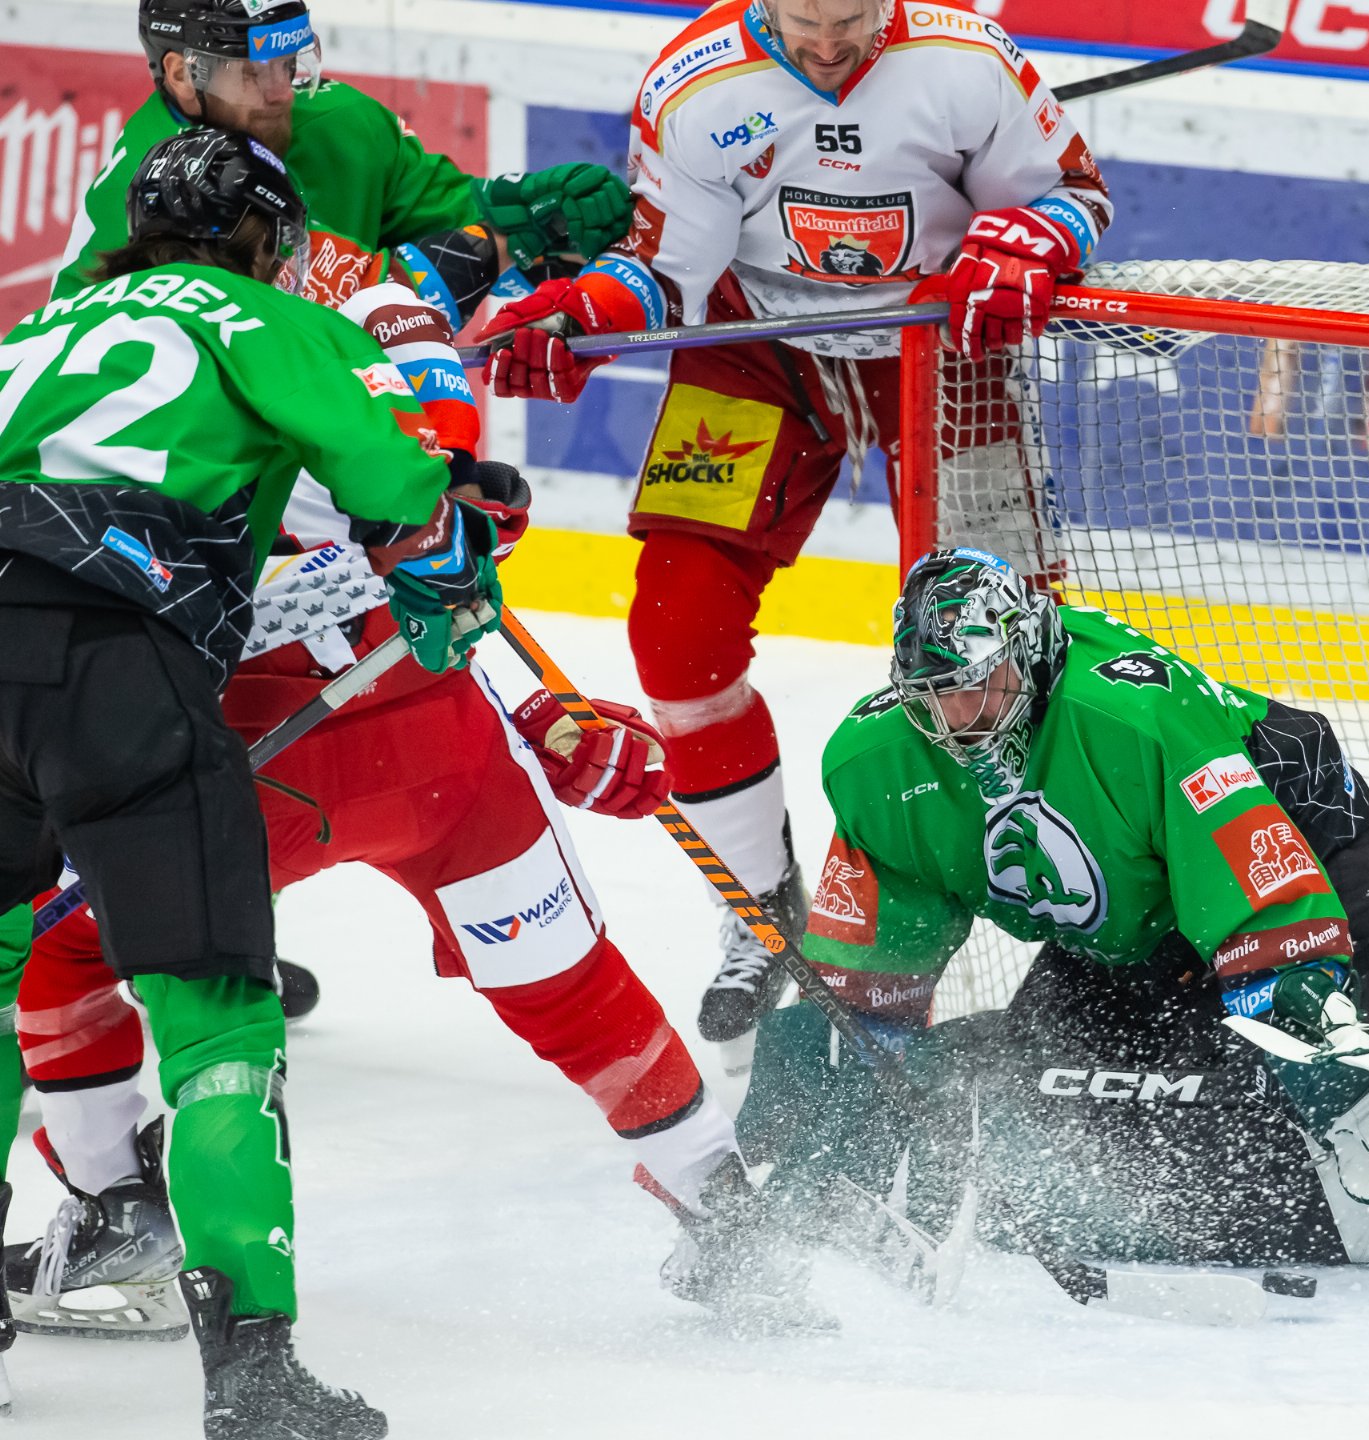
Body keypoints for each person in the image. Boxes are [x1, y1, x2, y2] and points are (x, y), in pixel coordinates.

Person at [4, 0, 811, 1343]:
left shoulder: (82, 314)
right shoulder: (359, 300)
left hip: (239, 734)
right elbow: (443, 514)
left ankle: (117, 1202)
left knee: (54, 956)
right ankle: (722, 1204)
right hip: (430, 733)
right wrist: (535, 699)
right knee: (562, 972)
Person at [735, 548, 1369, 1281]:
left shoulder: (1133, 717)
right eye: (934, 697)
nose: (961, 720)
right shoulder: (878, 765)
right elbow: (869, 989)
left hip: (1310, 866)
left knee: (1258, 1084)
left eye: (980, 686)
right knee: (1046, 1098)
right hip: (1133, 929)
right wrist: (828, 1103)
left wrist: (1302, 1036)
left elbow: (1262, 901)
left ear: (1030, 653)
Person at [477, 0, 1114, 1063]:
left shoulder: (966, 59)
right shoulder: (696, 82)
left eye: (850, 17)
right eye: (805, 18)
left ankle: (1078, 897)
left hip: (940, 351)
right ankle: (759, 905)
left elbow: (1078, 197)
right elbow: (662, 270)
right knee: (677, 633)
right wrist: (584, 312)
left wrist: (1034, 236)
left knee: (1007, 647)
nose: (826, 44)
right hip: (755, 352)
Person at [0, 126, 502, 1439]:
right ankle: (255, 1376)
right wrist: (448, 553)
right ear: (269, 240)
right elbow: (389, 476)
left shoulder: (36, 330)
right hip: (119, 662)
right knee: (219, 1022)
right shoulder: (272, 319)